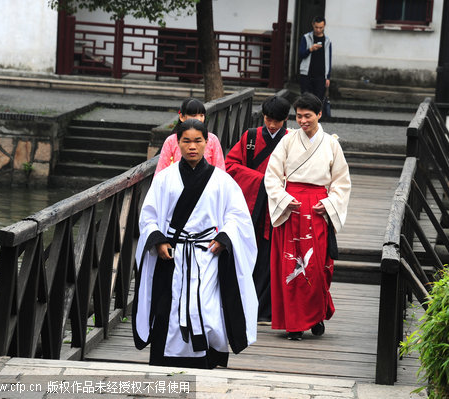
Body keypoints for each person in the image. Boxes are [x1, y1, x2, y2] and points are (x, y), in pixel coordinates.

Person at [133, 119, 258, 368]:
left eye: (198, 141)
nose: (192, 146)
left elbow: (237, 216)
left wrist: (225, 238)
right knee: (168, 308)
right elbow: (148, 216)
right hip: (173, 254)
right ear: (177, 143)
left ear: (207, 142)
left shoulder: (222, 181)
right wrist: (157, 239)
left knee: (208, 309)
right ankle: (164, 359)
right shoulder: (165, 179)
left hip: (207, 255)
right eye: (186, 141)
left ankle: (209, 358)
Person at [264, 93, 351, 341]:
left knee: (316, 267)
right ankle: (294, 323)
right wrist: (282, 199)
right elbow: (272, 175)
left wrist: (330, 203)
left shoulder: (331, 144)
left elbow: (342, 182)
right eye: (299, 116)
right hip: (291, 207)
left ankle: (316, 315)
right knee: (291, 266)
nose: (302, 121)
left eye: (308, 116)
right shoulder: (288, 141)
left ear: (319, 114)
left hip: (317, 208)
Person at [225, 95, 291, 323]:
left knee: (272, 258)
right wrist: (261, 180)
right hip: (252, 206)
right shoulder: (250, 137)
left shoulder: (292, 140)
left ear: (285, 120)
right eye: (269, 119)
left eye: (278, 121)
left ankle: (267, 309)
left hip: (279, 207)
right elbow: (231, 165)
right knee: (248, 255)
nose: (272, 125)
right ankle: (243, 304)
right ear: (263, 116)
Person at [155, 98, 225, 175]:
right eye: (193, 115)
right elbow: (160, 172)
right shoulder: (171, 141)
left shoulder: (212, 139)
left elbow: (220, 171)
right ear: (181, 117)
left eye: (201, 115)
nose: (199, 119)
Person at [298, 16, 332, 102]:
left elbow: (329, 59)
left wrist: (328, 77)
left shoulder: (327, 41)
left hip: (321, 76)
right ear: (313, 25)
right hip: (306, 74)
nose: (318, 30)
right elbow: (301, 54)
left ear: (324, 26)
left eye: (321, 27)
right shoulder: (306, 37)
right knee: (305, 101)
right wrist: (310, 49)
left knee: (318, 101)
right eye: (316, 27)